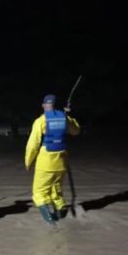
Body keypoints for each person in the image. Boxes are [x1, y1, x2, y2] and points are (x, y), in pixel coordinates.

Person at [24, 94, 80, 224]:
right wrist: (68, 116)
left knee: (38, 192)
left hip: (46, 162)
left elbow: (33, 144)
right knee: (56, 190)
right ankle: (60, 215)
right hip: (61, 162)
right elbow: (76, 131)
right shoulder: (64, 118)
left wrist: (28, 161)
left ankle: (49, 221)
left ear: (44, 105)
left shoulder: (41, 121)